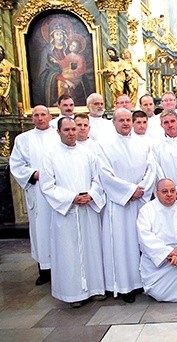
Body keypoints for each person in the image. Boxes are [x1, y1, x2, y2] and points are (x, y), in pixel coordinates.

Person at [40, 117, 106, 308]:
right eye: (67, 129)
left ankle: (94, 289)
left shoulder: (88, 154)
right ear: (59, 132)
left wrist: (91, 195)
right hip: (67, 212)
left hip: (87, 211)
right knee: (69, 253)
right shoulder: (50, 156)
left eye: (73, 129)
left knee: (91, 249)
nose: (71, 133)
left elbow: (98, 180)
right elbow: (47, 186)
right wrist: (72, 198)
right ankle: (73, 294)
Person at [98, 108, 156, 303]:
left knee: (141, 241)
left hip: (139, 202)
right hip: (119, 204)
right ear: (113, 122)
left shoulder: (143, 143)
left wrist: (142, 189)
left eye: (128, 120)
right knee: (122, 245)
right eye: (121, 120)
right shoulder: (104, 146)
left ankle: (143, 281)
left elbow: (151, 169)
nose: (125, 123)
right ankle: (124, 286)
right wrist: (129, 191)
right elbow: (105, 175)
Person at [9, 105, 59, 285]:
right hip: (38, 191)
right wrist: (33, 174)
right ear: (32, 119)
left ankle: (61, 268)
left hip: (58, 191)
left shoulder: (58, 135)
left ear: (49, 116)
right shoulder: (23, 139)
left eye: (43, 114)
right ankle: (44, 270)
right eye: (36, 115)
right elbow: (16, 164)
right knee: (41, 230)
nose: (40, 118)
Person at [153, 110, 177, 195]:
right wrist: (169, 190)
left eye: (172, 121)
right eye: (166, 122)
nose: (170, 125)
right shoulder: (156, 145)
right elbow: (157, 170)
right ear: (161, 125)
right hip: (167, 193)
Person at [0, 45, 21, 115]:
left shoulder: (6, 62)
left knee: (5, 97)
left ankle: (8, 110)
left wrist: (17, 68)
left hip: (5, 82)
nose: (0, 53)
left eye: (1, 51)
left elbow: (13, 67)